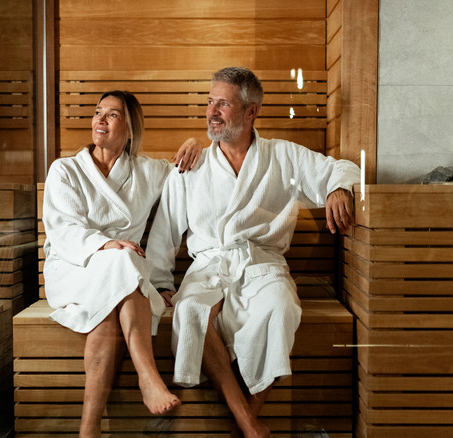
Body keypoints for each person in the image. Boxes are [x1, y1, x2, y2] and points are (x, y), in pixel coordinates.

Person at [146, 67, 360, 438]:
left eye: (223, 104)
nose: (212, 111)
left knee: (281, 310)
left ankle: (243, 418)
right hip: (210, 265)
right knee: (192, 309)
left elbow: (341, 167)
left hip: (263, 263)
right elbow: (166, 227)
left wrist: (337, 188)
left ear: (251, 112)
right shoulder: (191, 164)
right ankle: (248, 423)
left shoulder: (282, 156)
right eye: (210, 102)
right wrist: (161, 282)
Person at [42, 90, 201, 437]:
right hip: (72, 267)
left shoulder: (147, 171)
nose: (100, 119)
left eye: (112, 115)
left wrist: (194, 143)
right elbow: (63, 229)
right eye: (98, 112)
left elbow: (186, 174)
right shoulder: (65, 169)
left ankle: (89, 429)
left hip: (124, 272)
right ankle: (148, 375)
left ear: (130, 129)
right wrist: (105, 244)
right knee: (121, 259)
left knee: (105, 319)